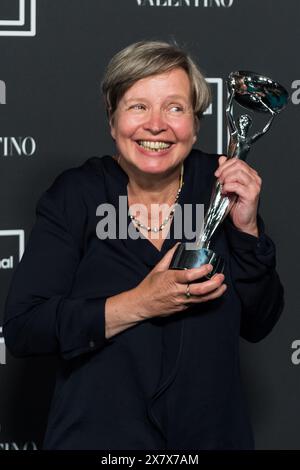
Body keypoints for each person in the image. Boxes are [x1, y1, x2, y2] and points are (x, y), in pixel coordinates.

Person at [3, 40, 284, 450]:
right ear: (112, 119)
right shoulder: (76, 195)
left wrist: (246, 234)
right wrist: (141, 302)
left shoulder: (221, 184)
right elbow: (25, 329)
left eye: (175, 107)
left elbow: (260, 322)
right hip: (98, 439)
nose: (157, 125)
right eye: (138, 106)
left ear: (196, 123)